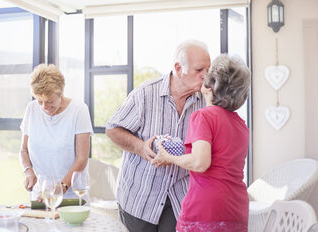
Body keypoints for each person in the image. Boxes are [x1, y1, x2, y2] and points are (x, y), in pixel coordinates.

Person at [106, 40, 211, 232]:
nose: (206, 76)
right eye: (199, 70)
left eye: (208, 69)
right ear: (179, 69)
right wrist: (140, 147)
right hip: (140, 198)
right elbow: (112, 129)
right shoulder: (145, 94)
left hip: (180, 199)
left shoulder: (206, 101)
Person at [152, 54, 251, 232]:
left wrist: (168, 157)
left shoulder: (203, 116)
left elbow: (200, 162)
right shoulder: (241, 125)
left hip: (206, 207)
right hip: (237, 207)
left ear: (211, 85)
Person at [19, 64, 93, 199]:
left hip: (73, 195)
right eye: (40, 101)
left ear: (60, 93)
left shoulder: (79, 110)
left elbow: (82, 158)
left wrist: (61, 188)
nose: (44, 107)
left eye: (49, 101)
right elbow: (24, 150)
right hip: (40, 195)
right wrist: (28, 171)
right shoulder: (31, 109)